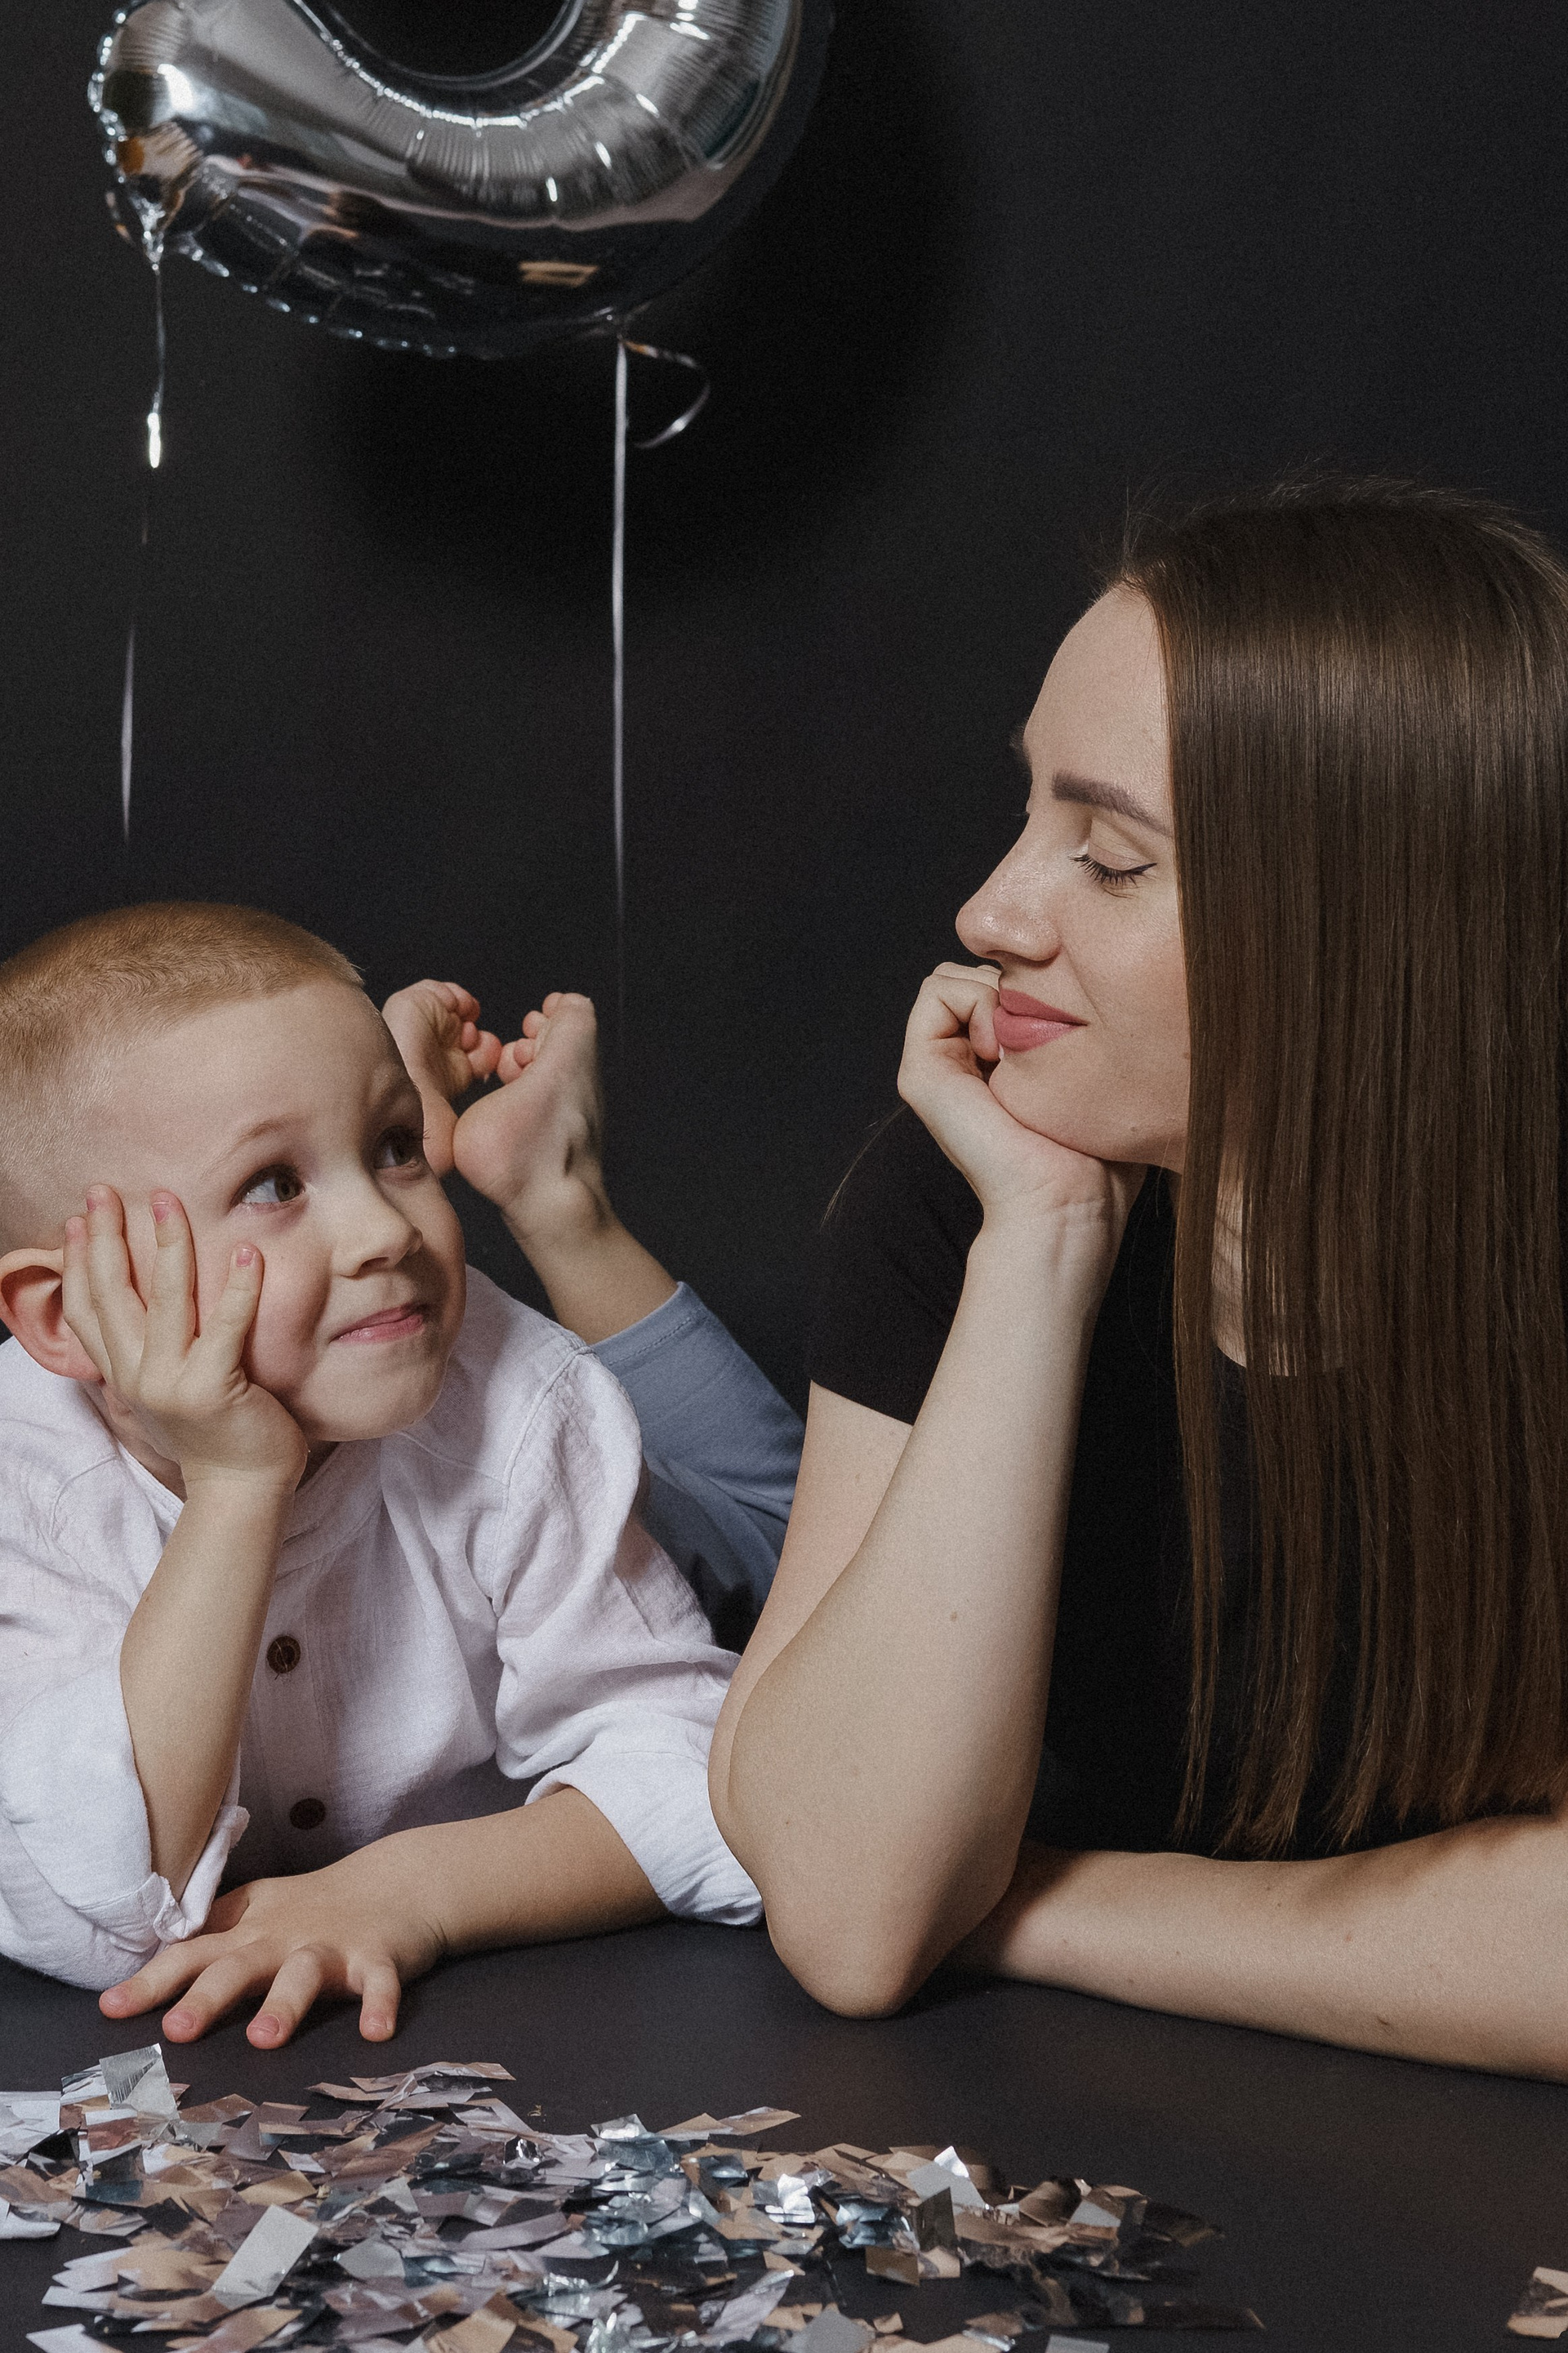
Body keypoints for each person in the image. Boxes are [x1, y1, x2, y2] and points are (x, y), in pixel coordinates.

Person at [710, 479, 1568, 2080]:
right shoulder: (954, 1198)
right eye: (1031, 810)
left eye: (1107, 859)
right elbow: (853, 1909)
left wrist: (1038, 1904)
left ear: (1374, 931)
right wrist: (1039, 1244)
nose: (988, 910)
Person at [0, 902, 800, 2046]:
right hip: (425, 1385)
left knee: (784, 1545)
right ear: (66, 1316)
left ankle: (551, 1191)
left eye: (394, 1149)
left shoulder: (525, 1403)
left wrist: (410, 1891)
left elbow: (709, 1783)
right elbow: (88, 1906)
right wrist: (235, 1489)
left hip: (681, 1535)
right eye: (273, 1183)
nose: (386, 1230)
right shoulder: (24, 1480)